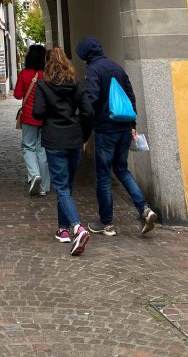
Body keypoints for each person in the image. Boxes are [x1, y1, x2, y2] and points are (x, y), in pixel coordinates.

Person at [76, 37, 158, 238]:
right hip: (123, 128)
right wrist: (132, 124)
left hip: (106, 129)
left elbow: (92, 99)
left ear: (85, 55)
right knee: (122, 169)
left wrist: (83, 125)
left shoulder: (93, 70)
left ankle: (106, 222)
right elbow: (130, 96)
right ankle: (144, 209)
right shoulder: (117, 68)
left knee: (103, 176)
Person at [32, 47, 93, 256]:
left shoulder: (43, 84)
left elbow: (38, 113)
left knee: (61, 186)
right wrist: (83, 135)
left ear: (47, 64)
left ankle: (77, 227)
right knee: (66, 186)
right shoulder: (75, 83)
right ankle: (63, 229)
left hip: (54, 139)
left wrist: (50, 110)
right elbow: (88, 111)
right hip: (74, 138)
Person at [13, 44, 50, 197]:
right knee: (42, 149)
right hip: (45, 116)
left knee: (29, 147)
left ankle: (34, 175)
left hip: (28, 116)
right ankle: (44, 187)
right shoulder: (47, 74)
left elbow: (17, 94)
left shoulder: (24, 74)